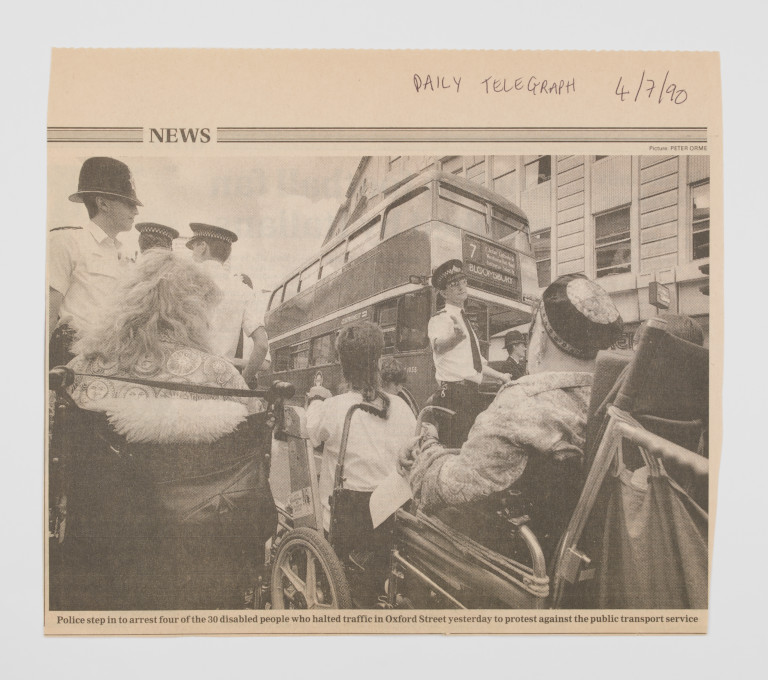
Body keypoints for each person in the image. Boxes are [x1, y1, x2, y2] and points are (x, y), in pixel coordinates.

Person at [54, 251, 271, 611]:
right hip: (200, 560)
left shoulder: (82, 371)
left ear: (128, 301)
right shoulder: (221, 375)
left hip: (102, 556)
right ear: (196, 312)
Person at [403, 273, 623, 555]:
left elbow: (443, 488)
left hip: (518, 560)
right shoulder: (612, 397)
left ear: (540, 334)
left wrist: (426, 449)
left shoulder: (521, 404)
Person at [306, 322, 416, 604]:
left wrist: (317, 399)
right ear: (379, 362)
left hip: (344, 526)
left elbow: (310, 433)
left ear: (343, 365)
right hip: (389, 522)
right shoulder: (402, 408)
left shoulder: (335, 407)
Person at [48, 156, 141, 367]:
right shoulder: (66, 242)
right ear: (103, 203)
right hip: (71, 358)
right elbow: (47, 315)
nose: (135, 211)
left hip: (113, 360)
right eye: (129, 203)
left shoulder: (124, 254)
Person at [427, 259, 513, 448]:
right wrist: (455, 338)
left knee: (470, 446)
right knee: (454, 448)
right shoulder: (441, 319)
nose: (460, 287)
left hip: (470, 393)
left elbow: (476, 364)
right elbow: (438, 347)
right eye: (453, 284)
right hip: (452, 394)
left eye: (463, 282)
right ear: (443, 292)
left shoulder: (464, 321)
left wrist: (501, 376)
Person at [186, 223, 269, 386]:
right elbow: (261, 345)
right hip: (219, 385)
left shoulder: (183, 281)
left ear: (203, 247)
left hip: (184, 381)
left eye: (194, 247)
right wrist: (242, 382)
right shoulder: (244, 291)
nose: (192, 253)